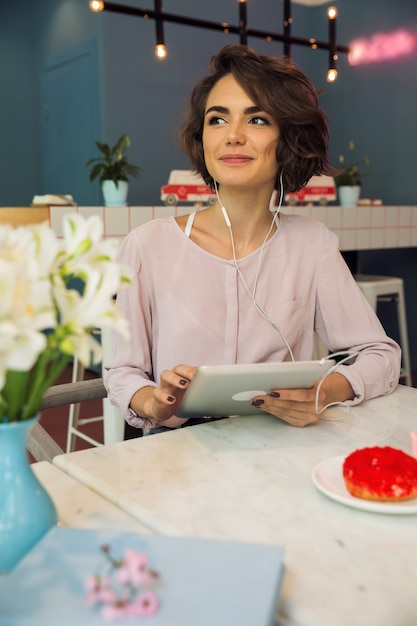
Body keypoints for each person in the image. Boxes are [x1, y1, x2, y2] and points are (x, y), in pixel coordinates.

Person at [104, 44, 401, 433]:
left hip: (279, 442)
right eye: (217, 120)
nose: (234, 136)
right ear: (203, 140)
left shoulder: (313, 246)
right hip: (175, 449)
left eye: (257, 120)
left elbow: (380, 355)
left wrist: (326, 390)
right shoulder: (146, 247)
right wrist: (153, 403)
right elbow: (123, 371)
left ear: (288, 139)